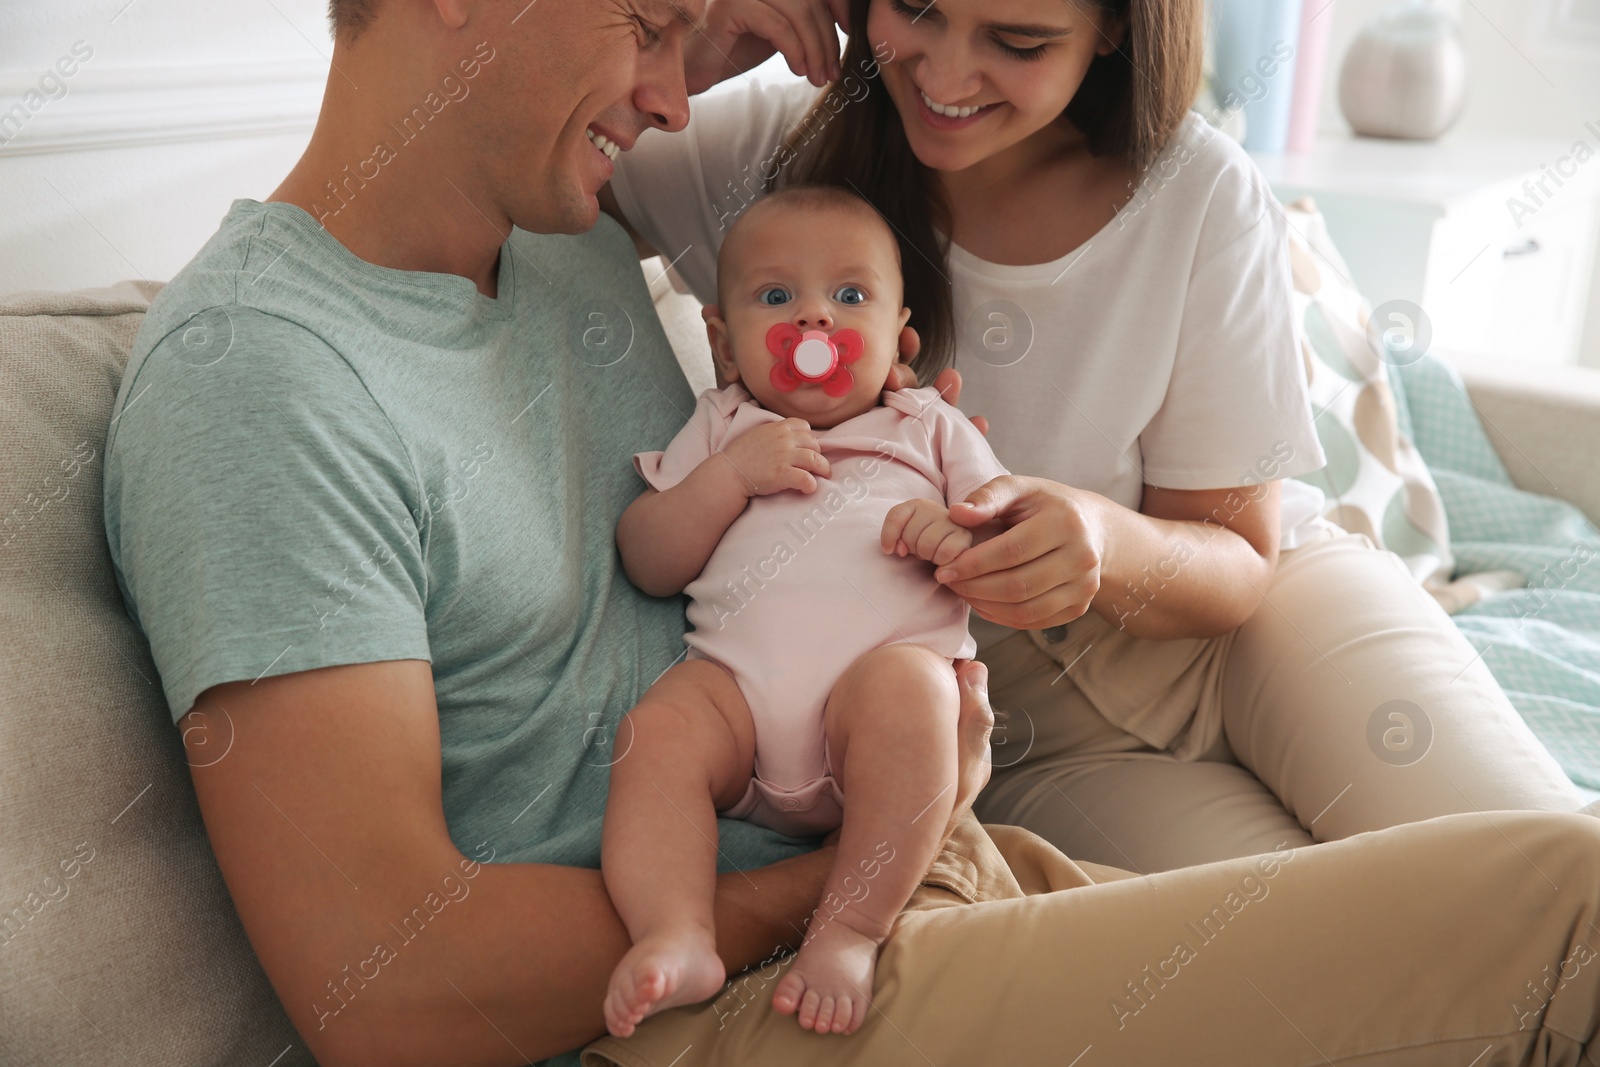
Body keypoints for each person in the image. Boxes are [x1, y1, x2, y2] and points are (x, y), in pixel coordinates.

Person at [98, 0, 1600, 1064]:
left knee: (1514, 917)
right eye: (646, 24)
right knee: (1564, 906)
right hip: (747, 985)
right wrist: (864, 869)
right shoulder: (260, 384)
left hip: (920, 859)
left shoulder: (554, 231)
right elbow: (390, 990)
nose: (678, 96)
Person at [602, 0, 1586, 879]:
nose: (944, 77)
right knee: (1368, 963)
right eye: (917, 10)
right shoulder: (777, 163)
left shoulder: (1195, 193)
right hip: (1045, 739)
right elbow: (532, 144)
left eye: (1018, 41)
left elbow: (1239, 557)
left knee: (1549, 885)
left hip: (1262, 633)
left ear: (1115, 26)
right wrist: (699, 41)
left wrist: (1103, 541)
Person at [603, 186, 1006, 1038]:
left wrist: (951, 534)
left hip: (874, 712)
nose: (815, 319)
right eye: (777, 296)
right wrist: (729, 478)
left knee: (913, 691)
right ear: (722, 341)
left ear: (902, 341)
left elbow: (1003, 538)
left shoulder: (927, 426)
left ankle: (851, 928)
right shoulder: (724, 424)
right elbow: (647, 558)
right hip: (738, 707)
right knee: (659, 733)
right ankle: (677, 929)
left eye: (850, 296)